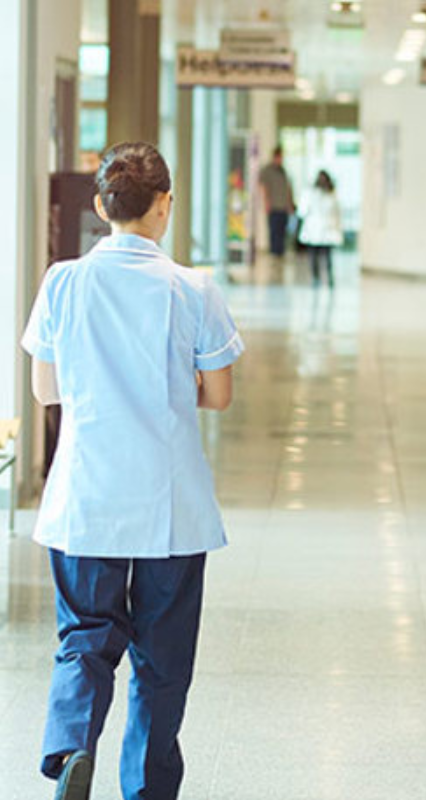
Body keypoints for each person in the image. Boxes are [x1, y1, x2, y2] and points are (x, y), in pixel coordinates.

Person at [21, 142, 244, 800]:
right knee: (162, 658)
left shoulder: (63, 282)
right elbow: (219, 395)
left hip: (86, 497)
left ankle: (71, 749)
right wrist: (168, 387)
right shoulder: (193, 289)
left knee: (84, 639)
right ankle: (146, 787)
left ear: (101, 206)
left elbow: (45, 390)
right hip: (169, 505)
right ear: (164, 205)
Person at [299, 170, 344, 287]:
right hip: (322, 229)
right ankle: (326, 277)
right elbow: (336, 213)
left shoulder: (313, 194)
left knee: (315, 255)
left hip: (318, 230)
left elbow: (302, 211)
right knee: (325, 256)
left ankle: (317, 277)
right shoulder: (329, 195)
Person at [259, 144, 295, 258]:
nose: (281, 160)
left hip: (283, 206)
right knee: (274, 231)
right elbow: (263, 187)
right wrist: (266, 203)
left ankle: (280, 253)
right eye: (280, 157)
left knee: (282, 231)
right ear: (275, 157)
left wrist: (290, 204)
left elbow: (288, 188)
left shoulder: (283, 171)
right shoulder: (267, 170)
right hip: (273, 206)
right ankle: (274, 253)